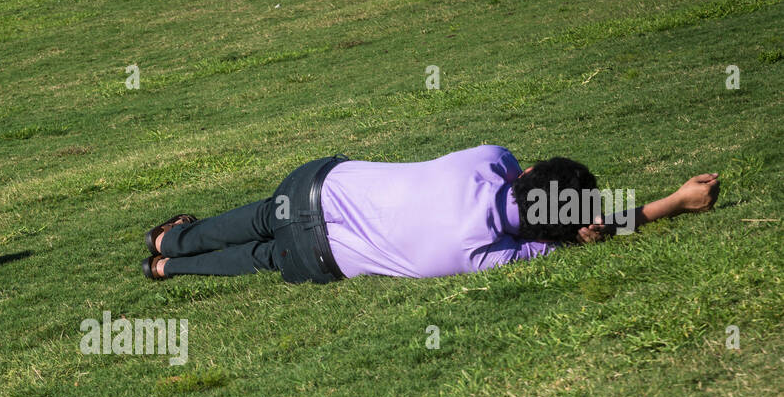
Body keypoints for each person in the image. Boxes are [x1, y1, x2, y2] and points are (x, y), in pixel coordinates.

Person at [140, 146, 719, 282]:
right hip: (316, 256)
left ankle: (173, 240)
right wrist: (669, 205)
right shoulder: (497, 256)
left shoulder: (488, 160)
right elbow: (573, 227)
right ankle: (169, 270)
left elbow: (551, 203)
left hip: (317, 190)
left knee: (268, 216)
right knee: (269, 254)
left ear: (523, 175)